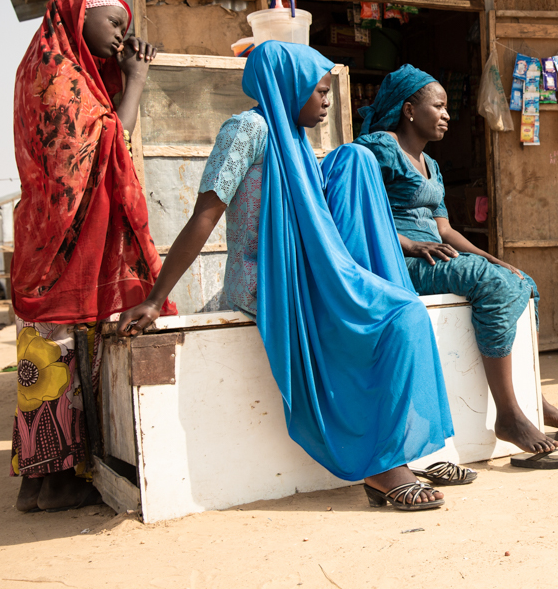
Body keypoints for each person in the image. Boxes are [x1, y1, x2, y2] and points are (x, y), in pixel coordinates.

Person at [119, 42, 462, 511]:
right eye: (318, 91)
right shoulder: (248, 129)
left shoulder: (297, 141)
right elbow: (206, 214)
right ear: (288, 86)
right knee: (398, 318)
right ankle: (382, 467)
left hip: (307, 270)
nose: (325, 101)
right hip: (267, 282)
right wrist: (157, 299)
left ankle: (394, 450)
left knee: (400, 302)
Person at [355, 65, 558, 468]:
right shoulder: (380, 149)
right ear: (409, 110)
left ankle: (532, 399)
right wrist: (411, 244)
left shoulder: (430, 165)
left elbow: (445, 229)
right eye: (439, 106)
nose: (447, 114)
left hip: (434, 252)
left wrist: (491, 257)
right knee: (496, 286)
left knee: (522, 281)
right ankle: (508, 416)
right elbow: (362, 216)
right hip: (399, 260)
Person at [11, 0, 172, 512]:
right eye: (114, 23)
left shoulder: (49, 69)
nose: (124, 34)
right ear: (78, 21)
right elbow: (110, 142)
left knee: (47, 358)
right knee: (60, 357)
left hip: (44, 241)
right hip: (64, 246)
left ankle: (39, 481)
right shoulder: (61, 81)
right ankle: (56, 483)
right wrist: (137, 79)